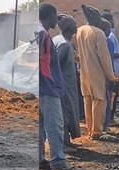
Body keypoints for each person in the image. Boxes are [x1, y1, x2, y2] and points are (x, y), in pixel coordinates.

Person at [76, 5, 118, 140]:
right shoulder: (98, 33)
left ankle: (90, 129)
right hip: (97, 73)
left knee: (87, 99)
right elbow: (104, 58)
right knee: (99, 100)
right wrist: (111, 76)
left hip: (84, 73)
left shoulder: (80, 30)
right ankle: (97, 131)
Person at [38, 3, 71, 170]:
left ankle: (40, 159)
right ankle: (58, 160)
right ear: (50, 15)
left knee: (41, 126)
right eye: (55, 16)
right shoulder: (43, 35)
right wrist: (50, 83)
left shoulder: (39, 33)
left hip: (40, 89)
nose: (56, 20)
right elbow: (43, 63)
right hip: (47, 90)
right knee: (55, 125)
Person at [53, 14, 81, 148]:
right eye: (75, 25)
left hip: (68, 84)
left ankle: (67, 141)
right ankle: (63, 144)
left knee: (68, 112)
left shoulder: (61, 40)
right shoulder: (64, 44)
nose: (77, 27)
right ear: (70, 28)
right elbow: (55, 66)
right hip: (64, 86)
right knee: (64, 113)